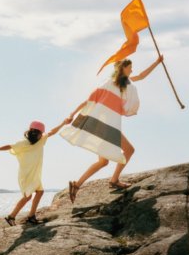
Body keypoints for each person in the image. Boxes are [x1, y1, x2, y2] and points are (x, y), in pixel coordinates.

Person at [61, 54, 164, 203]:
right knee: (129, 150)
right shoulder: (111, 83)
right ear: (123, 68)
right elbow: (90, 100)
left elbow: (141, 76)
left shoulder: (123, 83)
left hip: (104, 126)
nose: (132, 69)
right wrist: (72, 113)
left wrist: (157, 62)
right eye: (130, 67)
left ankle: (76, 185)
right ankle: (114, 180)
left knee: (103, 162)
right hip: (106, 126)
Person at [0, 118, 69, 226]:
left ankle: (31, 216)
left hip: (35, 174)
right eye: (39, 133)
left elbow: (52, 132)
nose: (40, 135)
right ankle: (11, 217)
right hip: (26, 174)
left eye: (41, 133)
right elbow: (10, 146)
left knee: (40, 192)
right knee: (27, 197)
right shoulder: (23, 142)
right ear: (32, 132)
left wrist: (63, 123)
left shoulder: (41, 139)